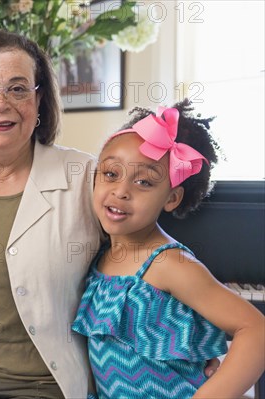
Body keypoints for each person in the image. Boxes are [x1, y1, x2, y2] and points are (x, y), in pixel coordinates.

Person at [0, 29, 223, 399]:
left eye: (18, 89)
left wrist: (199, 345)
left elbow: (152, 259)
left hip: (53, 387)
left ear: (39, 101)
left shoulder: (90, 177)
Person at [72, 101, 265, 398]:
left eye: (144, 182)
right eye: (111, 174)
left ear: (172, 198)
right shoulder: (101, 252)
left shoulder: (169, 264)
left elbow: (256, 330)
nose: (122, 191)